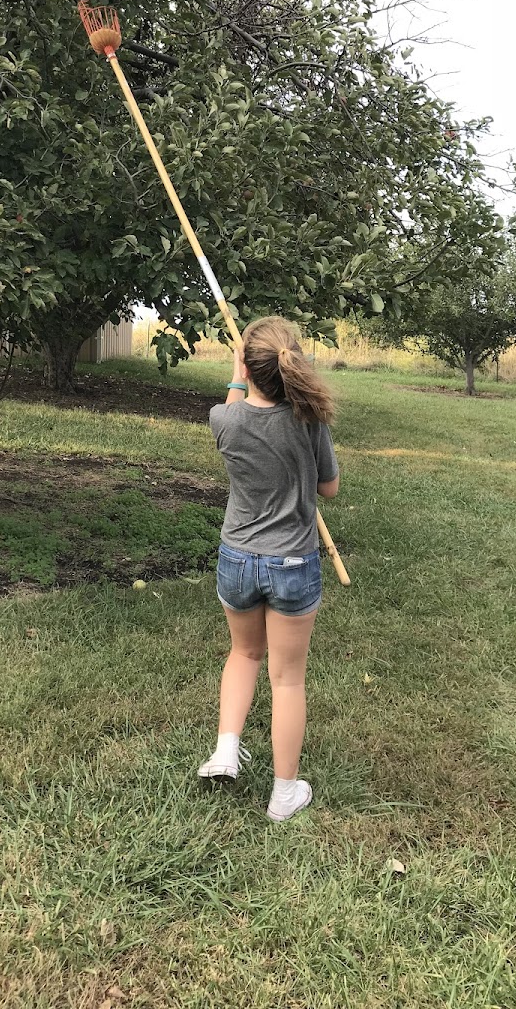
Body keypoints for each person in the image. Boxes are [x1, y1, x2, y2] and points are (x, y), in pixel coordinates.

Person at [199, 317, 339, 822]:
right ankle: (284, 792)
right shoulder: (310, 420)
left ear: (247, 370)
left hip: (238, 558)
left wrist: (237, 377)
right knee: (287, 680)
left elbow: (236, 411)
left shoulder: (224, 419)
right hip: (293, 562)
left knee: (243, 653)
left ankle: (225, 750)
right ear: (294, 364)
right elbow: (329, 489)